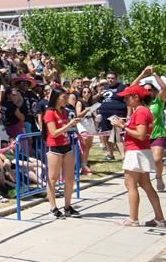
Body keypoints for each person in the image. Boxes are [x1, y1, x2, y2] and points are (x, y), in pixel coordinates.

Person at [111, 85, 166, 227]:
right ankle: (159, 218)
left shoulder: (141, 112)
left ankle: (133, 219)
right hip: (141, 151)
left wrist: (122, 126)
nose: (124, 99)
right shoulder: (143, 111)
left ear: (136, 97)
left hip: (136, 151)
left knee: (131, 185)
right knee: (146, 185)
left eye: (127, 97)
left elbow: (141, 135)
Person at [42, 89, 88, 219]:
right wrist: (69, 125)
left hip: (66, 146)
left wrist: (80, 116)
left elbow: (68, 126)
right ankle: (53, 207)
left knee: (69, 178)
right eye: (64, 96)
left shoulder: (64, 111)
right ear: (57, 97)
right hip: (55, 147)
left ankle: (68, 206)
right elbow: (54, 132)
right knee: (53, 178)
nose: (66, 98)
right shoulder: (50, 112)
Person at [134, 66, 166, 191]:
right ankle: (145, 181)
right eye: (145, 90)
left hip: (158, 133)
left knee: (156, 159)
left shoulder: (158, 102)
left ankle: (159, 177)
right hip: (144, 135)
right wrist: (142, 74)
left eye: (150, 90)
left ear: (154, 91)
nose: (148, 92)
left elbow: (164, 88)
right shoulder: (140, 104)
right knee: (145, 161)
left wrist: (154, 74)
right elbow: (131, 88)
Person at [94, 71, 127, 161]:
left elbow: (127, 101)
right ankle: (110, 154)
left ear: (116, 78)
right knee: (107, 134)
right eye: (108, 78)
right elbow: (99, 100)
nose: (110, 80)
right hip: (104, 114)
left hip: (117, 113)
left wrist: (129, 114)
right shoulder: (105, 87)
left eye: (112, 78)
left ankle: (124, 156)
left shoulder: (122, 87)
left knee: (117, 134)